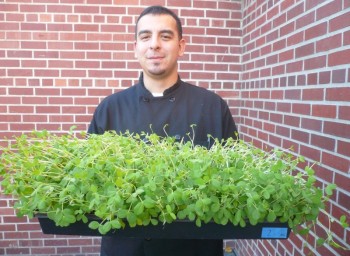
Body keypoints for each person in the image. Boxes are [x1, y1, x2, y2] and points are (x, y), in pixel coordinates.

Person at [88, 5, 238, 256]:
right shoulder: (109, 109)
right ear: (135, 47)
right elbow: (90, 183)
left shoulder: (213, 107)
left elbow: (235, 179)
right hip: (125, 247)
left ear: (181, 46)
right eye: (145, 36)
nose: (154, 45)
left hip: (196, 248)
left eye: (165, 36)